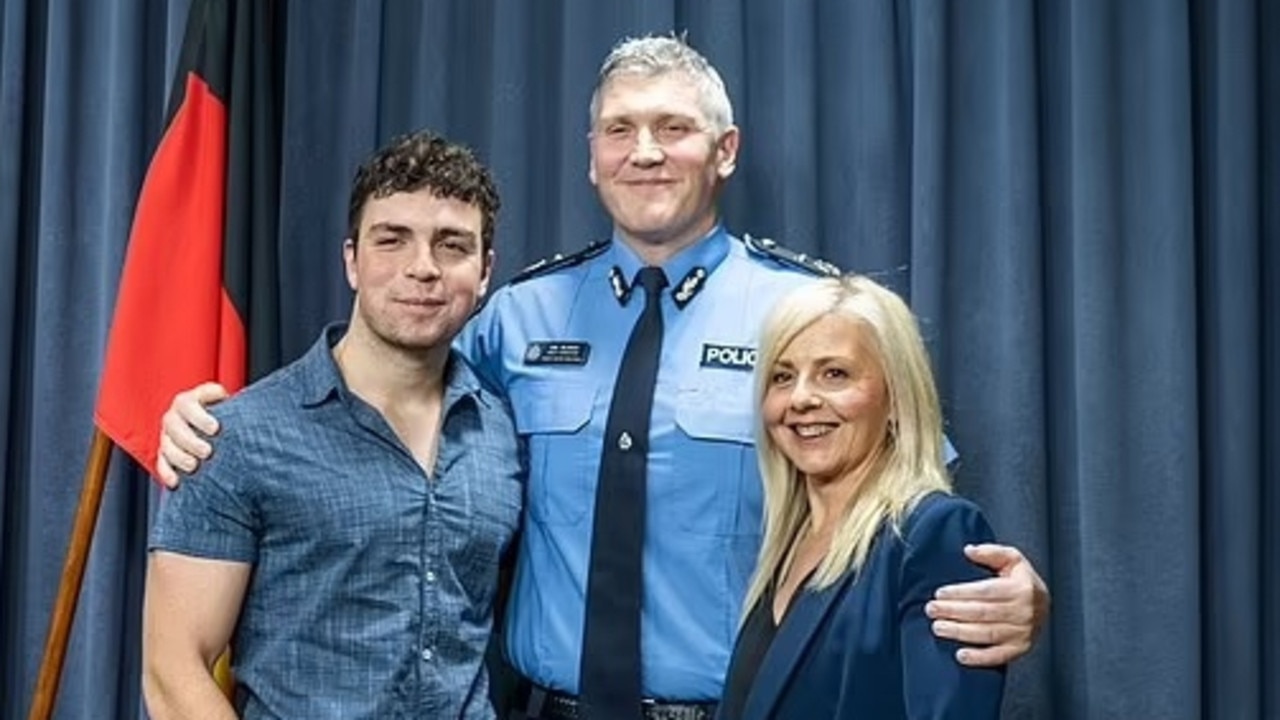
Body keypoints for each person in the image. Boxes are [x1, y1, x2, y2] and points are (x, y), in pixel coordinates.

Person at [156, 35, 1048, 720]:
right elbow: (383, 397)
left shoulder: (810, 317)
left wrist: (1010, 597)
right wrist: (202, 421)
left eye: (674, 128)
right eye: (621, 129)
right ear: (592, 156)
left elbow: (906, 496)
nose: (646, 151)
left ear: (726, 150)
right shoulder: (515, 318)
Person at [142, 130, 521, 719]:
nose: (422, 268)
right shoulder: (237, 437)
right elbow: (172, 673)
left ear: (485, 270)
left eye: (451, 245)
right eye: (391, 240)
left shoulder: (503, 434)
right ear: (352, 260)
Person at [718, 275, 1004, 719]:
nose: (801, 398)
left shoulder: (934, 536)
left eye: (834, 374)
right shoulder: (788, 543)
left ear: (895, 398)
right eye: (782, 376)